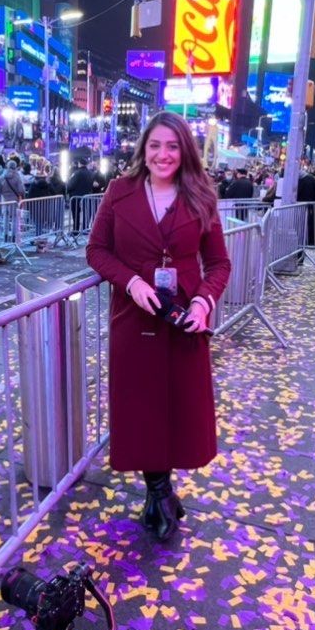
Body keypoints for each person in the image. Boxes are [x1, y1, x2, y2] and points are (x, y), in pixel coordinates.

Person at [87, 111, 231, 542]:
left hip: (184, 321)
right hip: (134, 320)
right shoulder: (119, 191)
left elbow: (219, 263)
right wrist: (131, 282)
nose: (163, 154)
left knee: (178, 408)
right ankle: (160, 492)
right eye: (155, 145)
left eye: (172, 146)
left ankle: (159, 493)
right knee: (142, 409)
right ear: (143, 149)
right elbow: (97, 250)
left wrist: (204, 302)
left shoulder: (202, 195)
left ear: (184, 151)